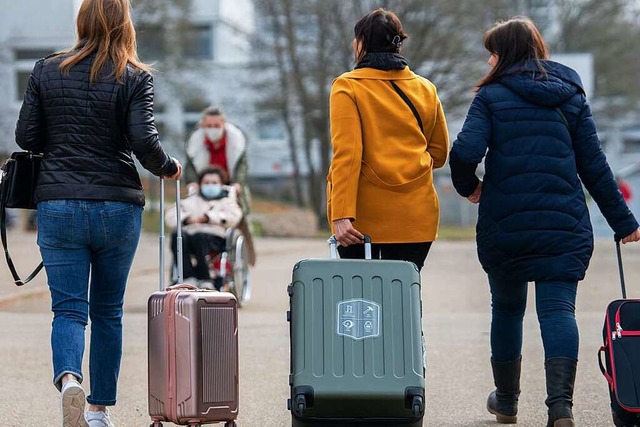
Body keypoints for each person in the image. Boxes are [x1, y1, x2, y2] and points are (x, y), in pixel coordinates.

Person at [449, 16, 640, 427]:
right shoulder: (570, 96)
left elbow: (464, 152)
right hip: (562, 222)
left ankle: (506, 401)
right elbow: (594, 165)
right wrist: (623, 221)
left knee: (507, 310)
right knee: (557, 312)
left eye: (492, 54)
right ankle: (560, 408)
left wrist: (471, 188)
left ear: (504, 55)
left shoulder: (492, 96)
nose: (489, 63)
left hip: (506, 223)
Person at [14, 0, 182, 426]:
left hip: (59, 203)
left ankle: (70, 378)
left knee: (68, 310)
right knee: (108, 310)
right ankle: (97, 409)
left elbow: (26, 135)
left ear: (82, 21)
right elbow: (143, 141)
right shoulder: (134, 76)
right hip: (116, 205)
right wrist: (168, 168)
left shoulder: (45, 70)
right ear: (125, 24)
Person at [327, 8, 449, 271]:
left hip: (361, 220)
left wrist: (340, 215)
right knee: (403, 299)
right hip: (416, 215)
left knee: (361, 301)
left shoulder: (348, 87)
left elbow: (347, 155)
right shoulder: (426, 88)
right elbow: (439, 153)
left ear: (361, 43)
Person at [186, 106, 256, 266]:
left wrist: (238, 183)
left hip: (229, 189)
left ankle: (242, 261)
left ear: (223, 124)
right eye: (209, 126)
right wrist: (192, 183)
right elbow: (190, 167)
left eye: (216, 126)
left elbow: (241, 167)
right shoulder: (195, 143)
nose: (213, 130)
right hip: (204, 188)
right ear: (203, 126)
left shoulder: (236, 142)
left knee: (236, 221)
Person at [165, 167, 242, 290]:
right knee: (177, 237)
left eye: (214, 183)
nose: (210, 186)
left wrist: (208, 217)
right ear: (200, 185)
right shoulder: (191, 200)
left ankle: (205, 277)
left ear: (221, 185)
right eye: (206, 183)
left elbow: (234, 216)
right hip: (189, 234)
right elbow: (170, 215)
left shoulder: (226, 202)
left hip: (214, 237)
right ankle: (187, 277)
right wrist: (186, 219)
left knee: (198, 237)